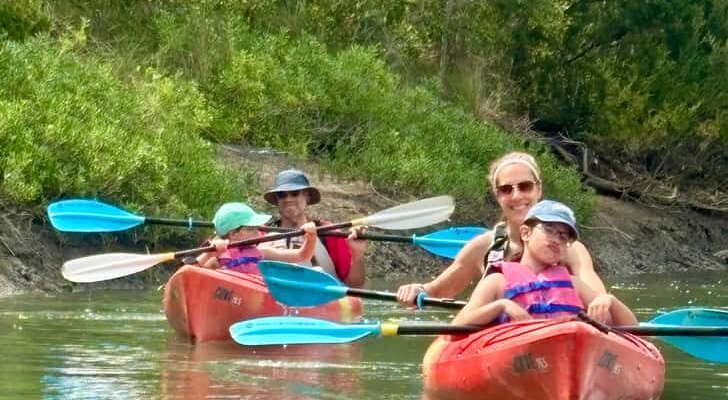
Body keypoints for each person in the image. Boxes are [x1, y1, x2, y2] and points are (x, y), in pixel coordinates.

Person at [397, 151, 605, 307]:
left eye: (525, 187)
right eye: (506, 189)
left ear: (538, 189)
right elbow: (439, 290)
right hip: (504, 343)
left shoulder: (569, 248)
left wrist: (603, 303)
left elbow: (598, 300)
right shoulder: (483, 247)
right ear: (497, 196)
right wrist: (418, 290)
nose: (516, 196)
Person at [451, 200, 638, 327]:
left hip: (565, 352)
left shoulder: (574, 285)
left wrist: (609, 301)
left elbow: (634, 330)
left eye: (564, 236)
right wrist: (501, 306)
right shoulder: (496, 282)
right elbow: (460, 323)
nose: (557, 240)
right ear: (526, 233)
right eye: (549, 230)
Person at [261, 168, 367, 287]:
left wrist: (357, 255)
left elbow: (354, 286)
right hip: (274, 296)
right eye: (281, 195)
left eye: (295, 193)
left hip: (322, 299)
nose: (288, 199)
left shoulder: (328, 233)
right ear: (276, 200)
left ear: (307, 197)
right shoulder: (262, 234)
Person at [196, 202, 317, 274]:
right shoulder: (217, 258)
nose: (258, 233)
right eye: (251, 229)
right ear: (233, 234)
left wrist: (311, 238)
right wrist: (209, 254)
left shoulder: (261, 252)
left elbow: (302, 255)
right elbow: (189, 273)